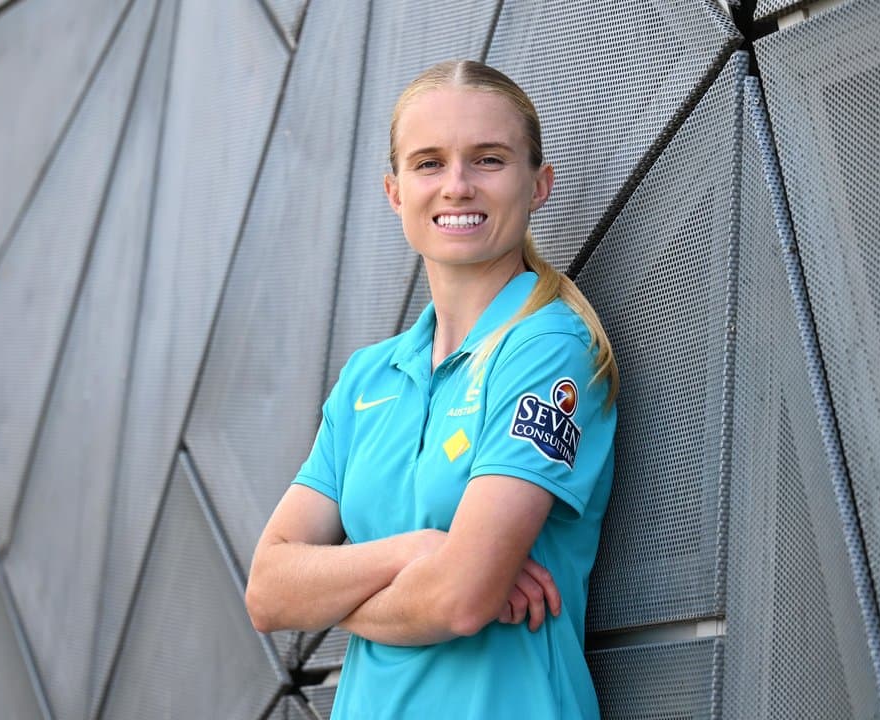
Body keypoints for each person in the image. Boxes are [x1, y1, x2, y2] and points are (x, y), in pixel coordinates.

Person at [245, 59, 619, 719]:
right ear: (394, 192)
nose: (456, 186)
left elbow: (461, 600)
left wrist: (336, 591)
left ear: (539, 185)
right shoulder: (368, 377)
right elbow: (269, 592)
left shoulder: (545, 348)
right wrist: (418, 551)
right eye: (428, 163)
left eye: (488, 160)